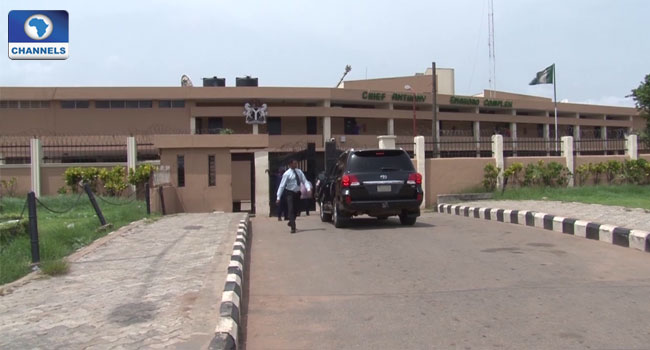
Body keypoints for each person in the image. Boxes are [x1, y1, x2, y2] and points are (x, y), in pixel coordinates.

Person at [276, 159, 311, 233]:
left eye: (296, 163)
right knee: (291, 209)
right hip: (290, 193)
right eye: (294, 163)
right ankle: (293, 227)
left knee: (297, 209)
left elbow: (304, 180)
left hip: (297, 193)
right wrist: (278, 197)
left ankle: (291, 222)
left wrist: (308, 189)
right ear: (290, 164)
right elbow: (282, 186)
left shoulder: (299, 172)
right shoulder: (287, 174)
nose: (296, 165)